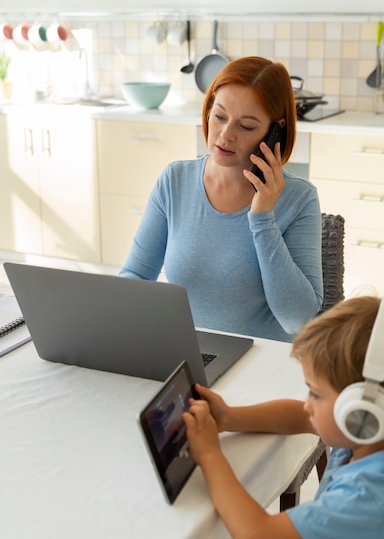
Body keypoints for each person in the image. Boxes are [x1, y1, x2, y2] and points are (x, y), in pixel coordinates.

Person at [183, 296, 384, 539]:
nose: (308, 404)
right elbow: (302, 416)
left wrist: (210, 454)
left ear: (361, 412)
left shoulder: (367, 501)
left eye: (316, 394)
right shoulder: (379, 436)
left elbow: (257, 538)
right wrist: (231, 418)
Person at [120, 56, 323, 342]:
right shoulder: (174, 180)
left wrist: (263, 218)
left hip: (262, 369)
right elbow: (136, 276)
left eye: (247, 126)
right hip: (186, 355)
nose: (225, 135)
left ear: (274, 131)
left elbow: (296, 319)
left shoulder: (300, 199)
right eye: (219, 116)